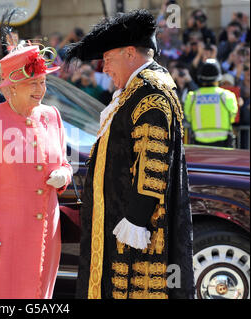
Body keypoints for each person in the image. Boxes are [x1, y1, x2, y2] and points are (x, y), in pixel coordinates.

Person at [64, 9, 194, 299]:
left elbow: (153, 162)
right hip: (118, 221)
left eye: (108, 59)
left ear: (130, 53)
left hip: (134, 231)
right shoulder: (135, 90)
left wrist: (136, 219)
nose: (104, 68)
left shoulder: (149, 94)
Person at [0, 45, 73, 299]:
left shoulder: (52, 116)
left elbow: (66, 164)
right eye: (33, 83)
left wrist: (63, 176)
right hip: (4, 233)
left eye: (43, 82)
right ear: (12, 87)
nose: (41, 90)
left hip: (46, 231)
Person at [184, 59, 238, 147]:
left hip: (199, 142)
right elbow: (232, 117)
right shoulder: (226, 95)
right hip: (223, 144)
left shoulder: (192, 97)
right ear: (218, 78)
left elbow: (189, 118)